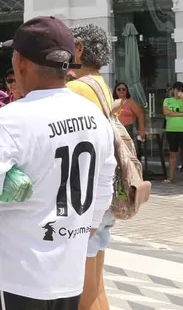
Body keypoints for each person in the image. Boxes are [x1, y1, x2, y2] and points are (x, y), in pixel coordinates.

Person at [0, 17, 117, 310]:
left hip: (16, 276)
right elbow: (103, 192)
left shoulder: (8, 121)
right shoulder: (96, 118)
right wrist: (72, 241)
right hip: (69, 276)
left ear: (20, 62)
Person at [65, 23, 118, 310]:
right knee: (96, 288)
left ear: (80, 49)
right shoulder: (101, 85)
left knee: (83, 294)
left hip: (83, 199)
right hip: (103, 195)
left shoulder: (75, 88)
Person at [163, 82, 183, 185]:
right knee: (172, 154)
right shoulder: (167, 100)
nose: (178, 92)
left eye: (180, 90)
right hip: (171, 130)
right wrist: (182, 114)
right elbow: (166, 112)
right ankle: (171, 177)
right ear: (173, 90)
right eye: (176, 90)